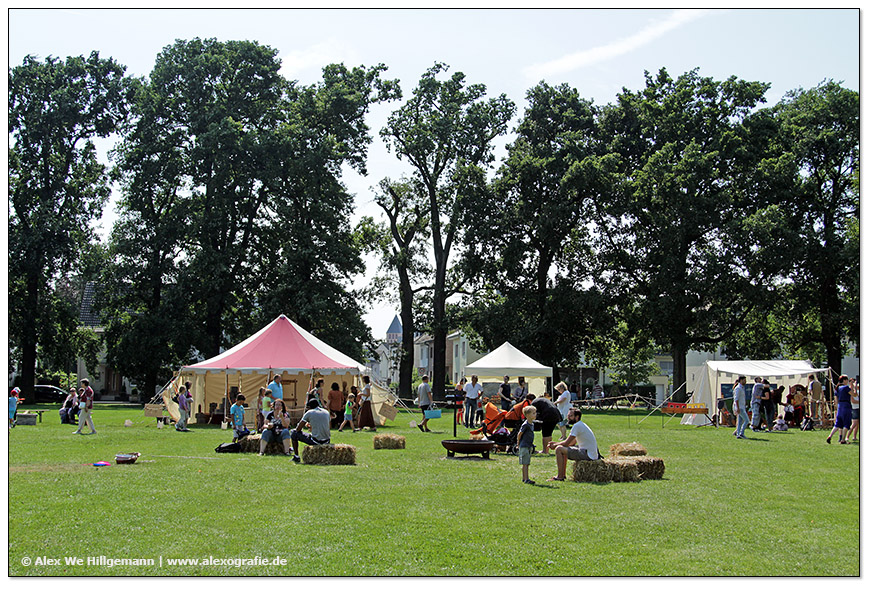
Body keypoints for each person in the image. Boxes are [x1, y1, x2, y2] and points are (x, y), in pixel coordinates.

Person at [548, 408, 600, 481]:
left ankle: (560, 476)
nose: (568, 417)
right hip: (591, 453)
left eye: (571, 416)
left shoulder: (577, 426)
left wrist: (555, 445)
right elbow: (572, 443)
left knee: (559, 449)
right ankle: (562, 475)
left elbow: (566, 443)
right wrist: (556, 443)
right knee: (562, 448)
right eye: (568, 415)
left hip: (587, 454)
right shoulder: (581, 424)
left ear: (577, 417)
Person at [290, 398, 331, 463]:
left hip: (316, 441)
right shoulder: (326, 412)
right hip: (327, 440)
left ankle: (296, 456)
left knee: (293, 433)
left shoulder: (309, 412)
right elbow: (326, 426)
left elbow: (298, 429)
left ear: (309, 407)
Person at [827, 375, 855, 444]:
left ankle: (830, 436)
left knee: (837, 424)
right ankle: (843, 439)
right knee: (846, 423)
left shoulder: (837, 388)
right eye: (847, 380)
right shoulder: (846, 388)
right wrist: (853, 387)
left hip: (840, 406)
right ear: (844, 380)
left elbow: (836, 399)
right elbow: (854, 394)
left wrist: (837, 407)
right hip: (846, 406)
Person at [517, 405, 537, 485]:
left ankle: (526, 478)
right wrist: (518, 442)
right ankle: (525, 479)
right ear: (528, 415)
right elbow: (520, 433)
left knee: (527, 463)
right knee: (525, 463)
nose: (535, 415)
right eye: (533, 413)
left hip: (529, 446)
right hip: (524, 446)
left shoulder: (531, 424)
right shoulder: (525, 424)